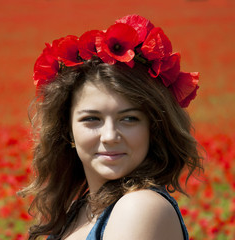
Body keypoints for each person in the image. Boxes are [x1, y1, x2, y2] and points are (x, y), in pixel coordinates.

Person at [20, 14, 203, 240]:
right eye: (91, 119)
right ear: (68, 130)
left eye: (129, 119)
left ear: (153, 128)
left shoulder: (140, 207)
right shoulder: (79, 211)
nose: (109, 136)